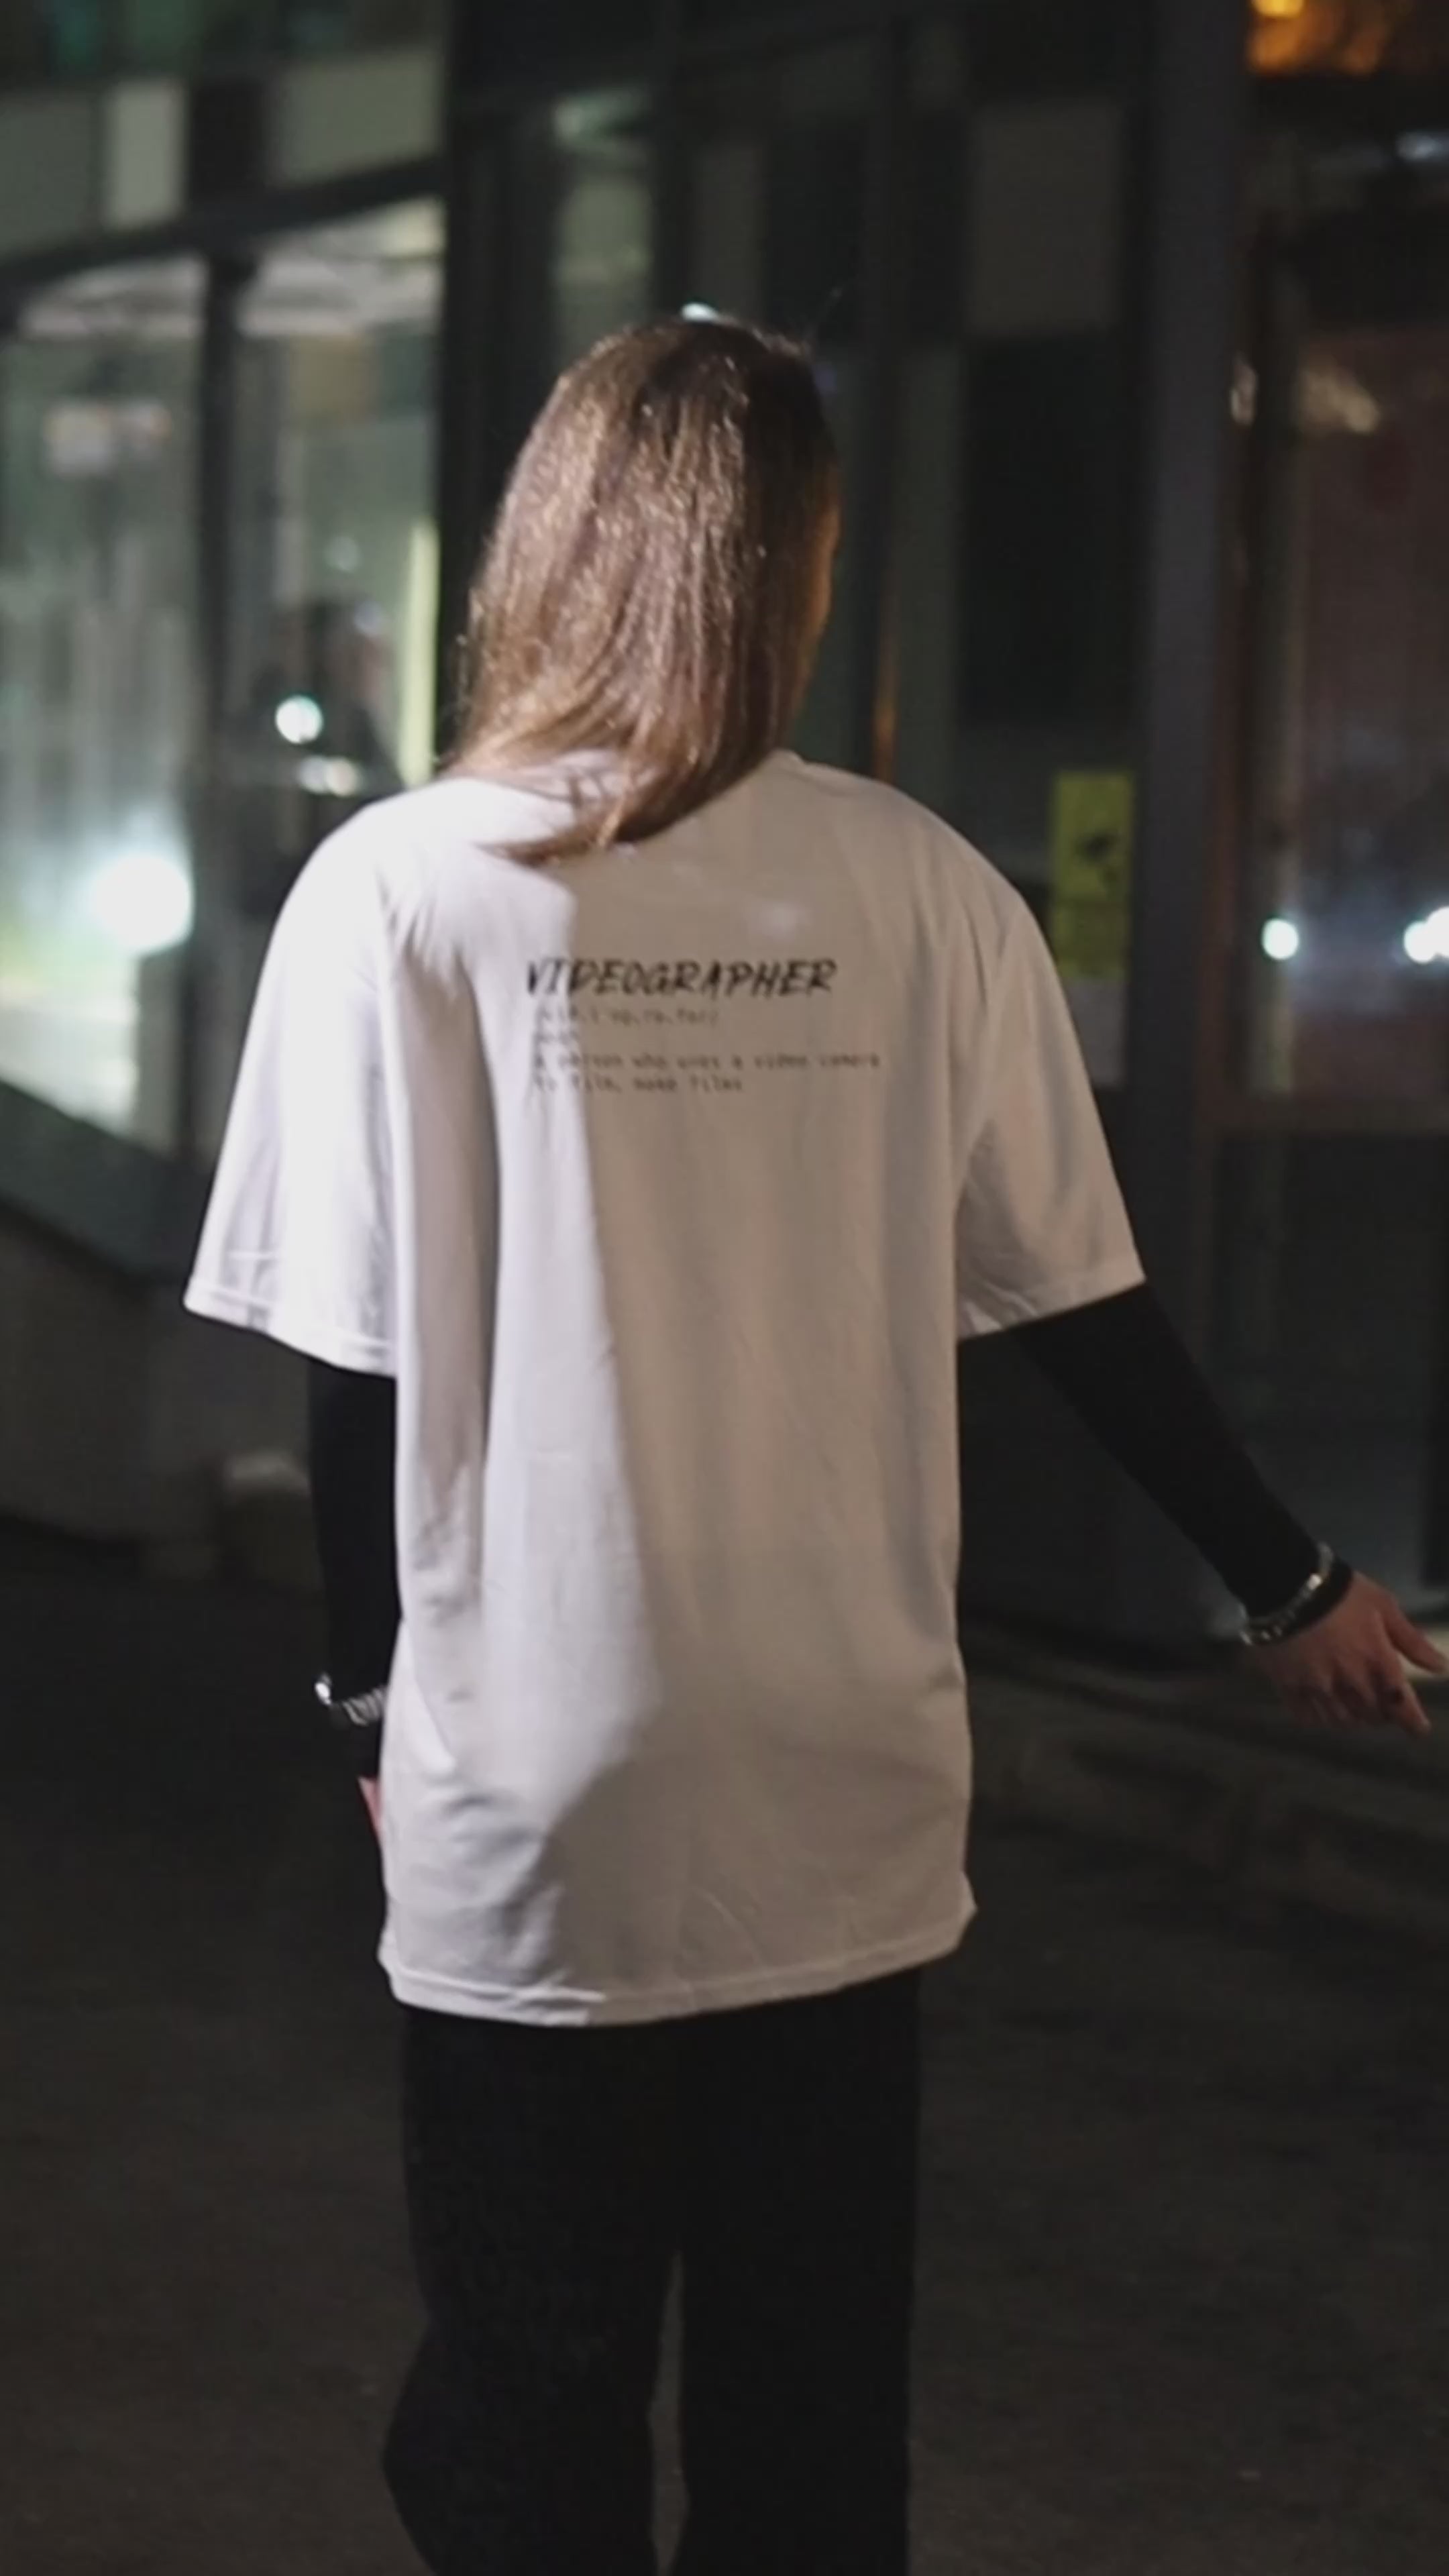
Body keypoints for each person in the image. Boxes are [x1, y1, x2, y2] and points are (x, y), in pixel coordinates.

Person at [184, 319, 1444, 2576]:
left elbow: (353, 1369)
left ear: (553, 550)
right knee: (811, 2418)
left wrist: (373, 1708)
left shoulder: (399, 892)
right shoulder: (923, 889)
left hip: (542, 1771)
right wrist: (1291, 1584)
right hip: (839, 1765)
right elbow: (1083, 1306)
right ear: (791, 570)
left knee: (527, 2397)